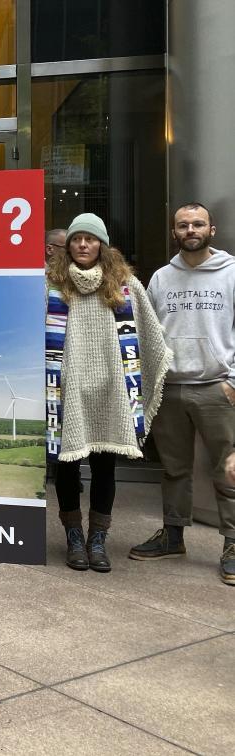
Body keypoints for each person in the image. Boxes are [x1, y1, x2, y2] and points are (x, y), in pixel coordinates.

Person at [46, 213, 170, 573]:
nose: (83, 245)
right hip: (66, 390)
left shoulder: (125, 284)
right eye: (76, 239)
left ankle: (97, 540)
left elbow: (151, 336)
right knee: (66, 469)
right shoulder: (50, 284)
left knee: (104, 469)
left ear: (102, 244)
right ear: (67, 245)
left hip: (111, 391)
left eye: (91, 239)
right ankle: (73, 537)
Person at [133, 202, 235, 586]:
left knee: (228, 469)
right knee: (174, 469)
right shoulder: (161, 278)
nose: (190, 230)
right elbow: (149, 334)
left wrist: (233, 382)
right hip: (170, 389)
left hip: (216, 387)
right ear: (173, 232)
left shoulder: (231, 273)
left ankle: (233, 543)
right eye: (182, 225)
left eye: (197, 224)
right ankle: (173, 536)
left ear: (212, 229)